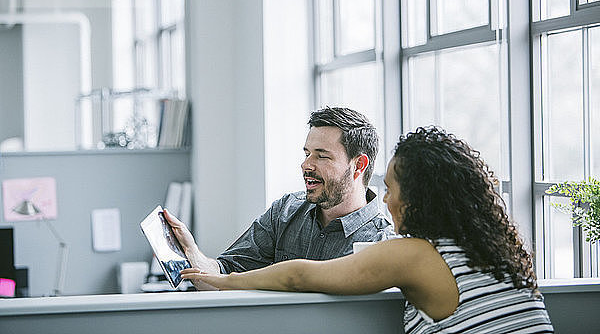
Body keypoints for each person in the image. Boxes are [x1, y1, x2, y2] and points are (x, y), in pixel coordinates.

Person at [182, 127, 554, 333]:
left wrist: (224, 281)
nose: (387, 201)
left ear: (422, 199)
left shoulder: (412, 253)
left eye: (393, 190)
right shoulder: (496, 251)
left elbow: (297, 275)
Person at [165, 106, 394, 290]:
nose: (306, 165)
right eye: (307, 154)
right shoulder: (285, 211)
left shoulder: (381, 242)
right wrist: (191, 252)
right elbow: (222, 277)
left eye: (322, 156)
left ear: (359, 165)